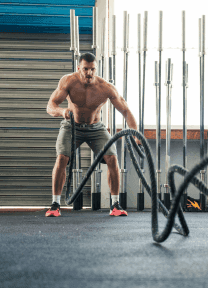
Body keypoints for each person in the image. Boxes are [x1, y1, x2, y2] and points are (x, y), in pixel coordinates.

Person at [45, 52, 139, 217]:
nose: (89, 73)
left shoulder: (105, 87)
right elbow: (50, 105)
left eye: (92, 69)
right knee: (62, 158)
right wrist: (61, 111)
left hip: (96, 128)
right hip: (71, 126)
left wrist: (135, 133)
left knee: (112, 158)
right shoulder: (68, 81)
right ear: (79, 67)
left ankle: (115, 205)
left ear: (96, 69)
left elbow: (125, 110)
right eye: (86, 69)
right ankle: (55, 205)